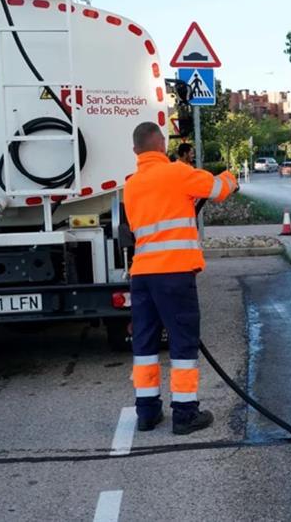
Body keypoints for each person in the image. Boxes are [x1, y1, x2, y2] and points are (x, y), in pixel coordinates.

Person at [122, 122, 238, 434]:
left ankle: (147, 412)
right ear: (161, 144)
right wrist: (231, 177)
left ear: (136, 150)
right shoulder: (176, 172)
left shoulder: (131, 185)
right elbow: (217, 189)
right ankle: (185, 414)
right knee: (183, 343)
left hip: (142, 275)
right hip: (173, 273)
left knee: (145, 344)